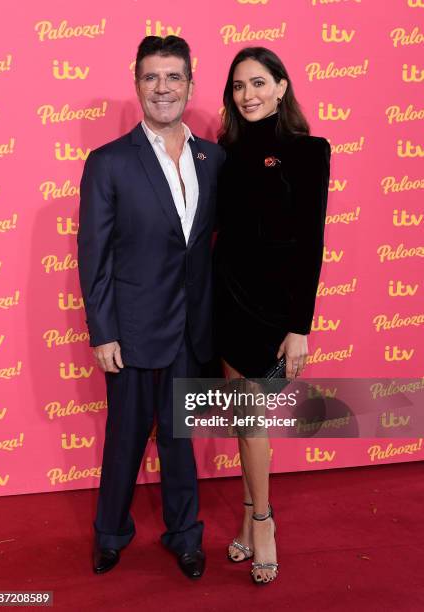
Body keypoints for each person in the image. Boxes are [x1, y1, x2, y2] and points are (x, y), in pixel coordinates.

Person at [77, 35, 225, 580]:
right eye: (151, 77)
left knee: (181, 442)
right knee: (125, 441)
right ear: (137, 82)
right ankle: (111, 534)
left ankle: (185, 536)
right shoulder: (109, 163)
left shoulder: (214, 159)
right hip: (134, 331)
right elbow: (93, 255)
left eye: (173, 77)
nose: (163, 88)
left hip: (193, 330)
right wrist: (103, 332)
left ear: (190, 81)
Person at [214, 47, 331, 584]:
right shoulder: (225, 151)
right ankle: (250, 519)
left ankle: (261, 520)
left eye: (258, 83)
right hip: (228, 301)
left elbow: (311, 244)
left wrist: (299, 326)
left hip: (274, 310)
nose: (248, 95)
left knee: (250, 421)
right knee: (245, 421)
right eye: (239, 87)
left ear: (282, 87)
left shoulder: (310, 151)